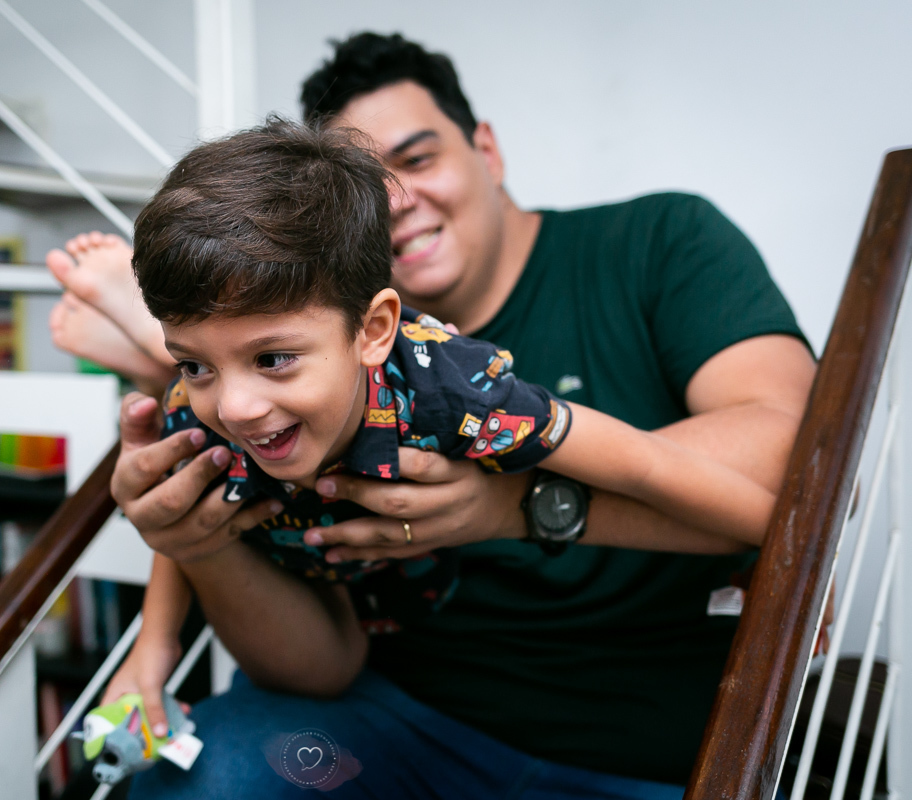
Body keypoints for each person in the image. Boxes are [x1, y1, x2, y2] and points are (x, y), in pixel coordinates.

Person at [62, 32, 815, 796]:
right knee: (214, 776)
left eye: (417, 159)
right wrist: (170, 596)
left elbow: (744, 470)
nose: (395, 200)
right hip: (386, 726)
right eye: (193, 361)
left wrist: (512, 507)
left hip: (643, 754)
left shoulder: (462, 377)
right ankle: (144, 344)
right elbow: (317, 659)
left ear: (486, 150)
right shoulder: (251, 402)